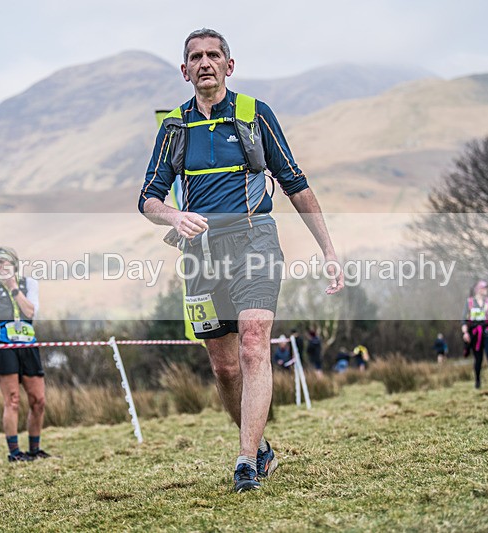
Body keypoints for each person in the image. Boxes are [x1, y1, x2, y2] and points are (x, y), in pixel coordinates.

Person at [138, 28, 343, 492]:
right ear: (185, 70)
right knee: (224, 367)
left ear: (229, 66)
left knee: (254, 344)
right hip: (202, 254)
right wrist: (174, 214)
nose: (205, 62)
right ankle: (261, 445)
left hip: (256, 240)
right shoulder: (174, 127)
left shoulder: (255, 114)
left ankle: (246, 462)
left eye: (214, 55)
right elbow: (148, 199)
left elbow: (295, 182)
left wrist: (328, 250)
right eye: (196, 56)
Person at [0, 246, 50, 462]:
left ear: (15, 264)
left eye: (5, 262)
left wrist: (13, 288)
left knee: (38, 400)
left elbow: (30, 312)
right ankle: (15, 453)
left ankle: (35, 450)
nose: (1, 266)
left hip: (28, 345)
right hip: (4, 345)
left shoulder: (30, 285)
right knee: (13, 401)